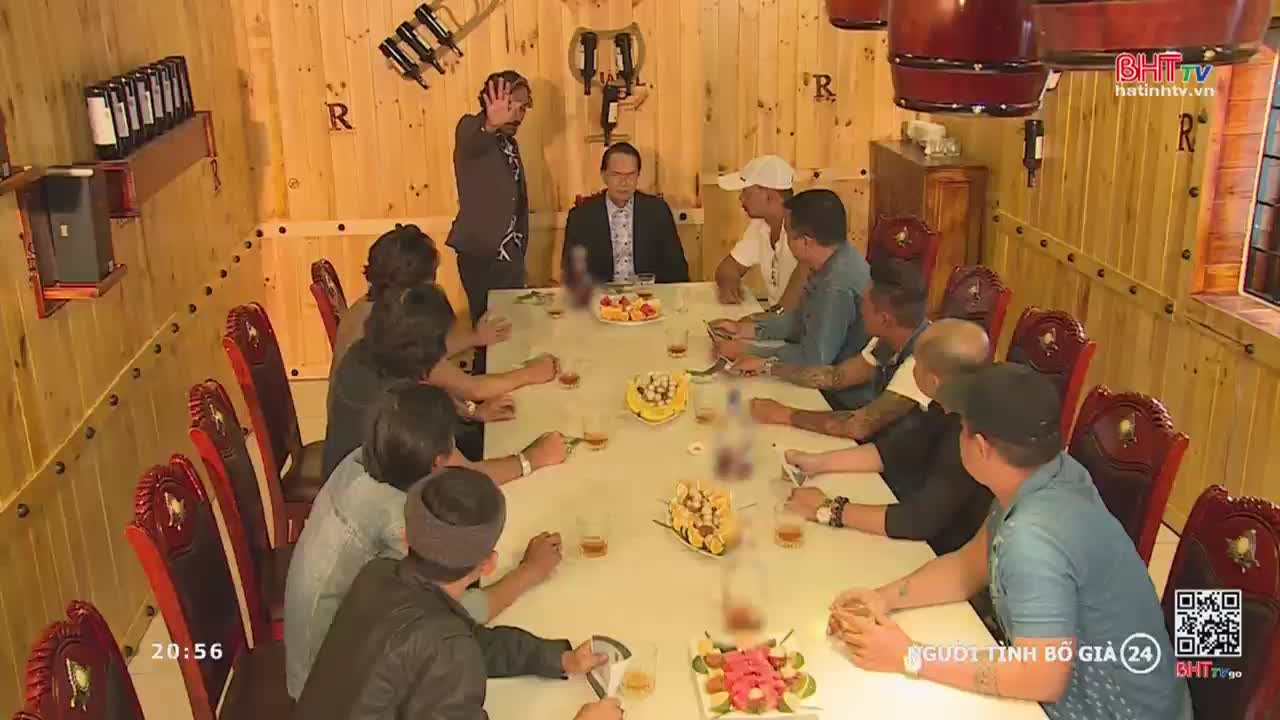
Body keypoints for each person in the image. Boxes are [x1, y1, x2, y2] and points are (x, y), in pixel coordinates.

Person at [828, 364, 1190, 720]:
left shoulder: (1033, 539)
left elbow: (1040, 677)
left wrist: (910, 656)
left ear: (980, 447)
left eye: (962, 428)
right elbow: (968, 567)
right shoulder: (1048, 473)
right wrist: (883, 598)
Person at [285, 383, 568, 699]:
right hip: (331, 687)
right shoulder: (399, 522)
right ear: (438, 463)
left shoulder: (372, 455)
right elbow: (453, 618)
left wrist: (526, 460)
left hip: (336, 652)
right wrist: (530, 572)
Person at [295, 467, 622, 720]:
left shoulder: (379, 573)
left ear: (407, 537)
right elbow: (453, 646)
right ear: (488, 564)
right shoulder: (448, 649)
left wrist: (558, 659)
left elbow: (465, 639)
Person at [777, 319, 993, 555]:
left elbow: (919, 520)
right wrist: (816, 462)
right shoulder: (949, 401)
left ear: (934, 380)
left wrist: (829, 509)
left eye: (917, 363)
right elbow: (895, 450)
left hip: (941, 551)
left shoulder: (970, 435)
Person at [322, 283, 558, 480]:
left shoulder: (368, 352)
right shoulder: (403, 410)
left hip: (348, 479)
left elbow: (426, 385)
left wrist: (473, 412)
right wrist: (532, 458)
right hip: (377, 503)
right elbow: (466, 475)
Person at [710, 189, 871, 410]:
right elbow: (803, 320)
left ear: (805, 242)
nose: (785, 240)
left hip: (839, 399)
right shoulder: (835, 258)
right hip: (823, 381)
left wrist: (750, 352)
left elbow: (814, 360)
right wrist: (747, 329)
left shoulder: (836, 285)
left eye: (788, 234)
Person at [739, 257, 932, 423]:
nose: (860, 310)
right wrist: (767, 366)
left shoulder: (920, 364)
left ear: (884, 319)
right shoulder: (890, 339)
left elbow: (860, 424)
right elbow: (836, 377)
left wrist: (785, 415)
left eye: (865, 304)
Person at [330, 225, 510, 381]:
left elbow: (427, 354)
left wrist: (475, 338)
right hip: (384, 410)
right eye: (432, 275)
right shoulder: (392, 323)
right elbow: (470, 388)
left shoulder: (371, 306)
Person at [448, 71, 534, 326]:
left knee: (512, 326)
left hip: (511, 254)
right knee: (486, 328)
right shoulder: (470, 128)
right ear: (489, 101)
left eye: (523, 108)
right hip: (481, 253)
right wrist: (490, 124)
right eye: (511, 105)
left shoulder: (510, 144)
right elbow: (473, 141)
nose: (517, 114)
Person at [562, 142, 689, 284]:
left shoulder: (658, 211)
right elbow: (572, 272)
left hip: (648, 293)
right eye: (616, 175)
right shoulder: (581, 216)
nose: (624, 182)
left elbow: (677, 269)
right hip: (599, 295)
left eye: (630, 175)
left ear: (638, 176)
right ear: (604, 176)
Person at [713, 155, 810, 309]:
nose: (741, 198)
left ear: (770, 196)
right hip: (777, 319)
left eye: (746, 192)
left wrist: (762, 321)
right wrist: (728, 285)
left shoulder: (804, 232)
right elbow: (729, 267)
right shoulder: (759, 226)